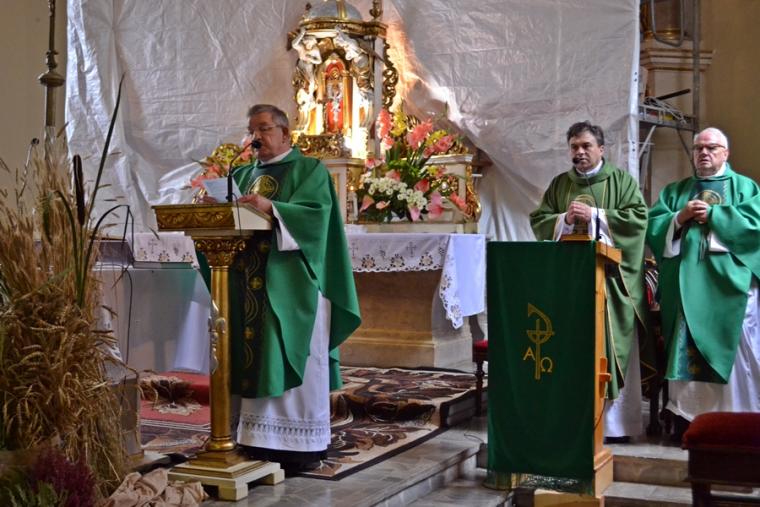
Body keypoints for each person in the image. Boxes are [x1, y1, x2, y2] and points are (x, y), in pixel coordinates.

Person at [201, 104, 361, 471]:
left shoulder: (309, 170)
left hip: (291, 284)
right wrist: (216, 211)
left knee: (284, 349)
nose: (256, 137)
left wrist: (272, 208)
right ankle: (249, 439)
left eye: (264, 129)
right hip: (245, 285)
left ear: (286, 134)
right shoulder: (242, 174)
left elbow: (317, 219)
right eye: (252, 130)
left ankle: (294, 447)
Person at [530, 121, 653, 441]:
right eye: (574, 146)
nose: (580, 152)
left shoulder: (621, 181)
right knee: (574, 350)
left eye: (586, 146)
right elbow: (539, 220)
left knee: (610, 347)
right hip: (571, 283)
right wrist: (565, 219)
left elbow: (639, 219)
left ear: (601, 149)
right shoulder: (560, 185)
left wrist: (596, 216)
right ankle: (575, 420)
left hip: (611, 284)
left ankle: (615, 426)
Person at [647, 127, 760, 440]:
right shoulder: (676, 191)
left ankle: (737, 422)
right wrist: (679, 217)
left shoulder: (745, 188)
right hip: (686, 290)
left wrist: (715, 216)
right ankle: (688, 422)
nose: (704, 153)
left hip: (730, 289)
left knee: (736, 353)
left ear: (726, 153)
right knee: (687, 352)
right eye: (698, 148)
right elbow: (654, 226)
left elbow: (755, 228)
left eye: (711, 148)